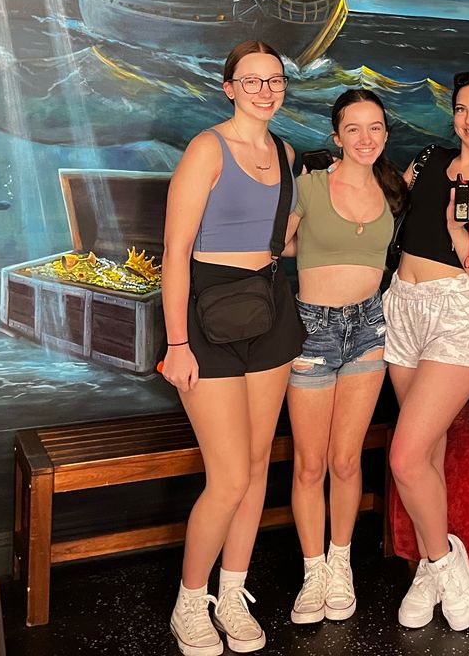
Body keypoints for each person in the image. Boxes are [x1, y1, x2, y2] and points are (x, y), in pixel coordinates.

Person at [160, 40, 305, 656]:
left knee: (256, 466)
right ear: (229, 88)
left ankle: (231, 594)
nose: (265, 91)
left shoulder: (287, 153)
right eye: (252, 80)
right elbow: (174, 254)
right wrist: (177, 344)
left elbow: (283, 243)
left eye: (275, 80)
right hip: (208, 314)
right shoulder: (206, 149)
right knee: (227, 478)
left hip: (269, 309)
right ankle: (190, 602)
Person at [386, 69, 469, 632]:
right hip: (402, 306)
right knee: (428, 453)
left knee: (404, 457)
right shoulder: (430, 160)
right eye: (462, 108)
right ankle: (429, 566)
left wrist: (459, 236)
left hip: (458, 312)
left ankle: (444, 562)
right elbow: (385, 201)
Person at [286, 89, 406, 625]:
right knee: (311, 464)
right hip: (313, 329)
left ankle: (341, 564)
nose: (365, 138)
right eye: (353, 128)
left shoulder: (395, 190)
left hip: (369, 328)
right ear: (337, 136)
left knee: (346, 460)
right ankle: (313, 571)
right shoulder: (309, 185)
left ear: (385, 134)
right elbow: (278, 246)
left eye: (375, 127)